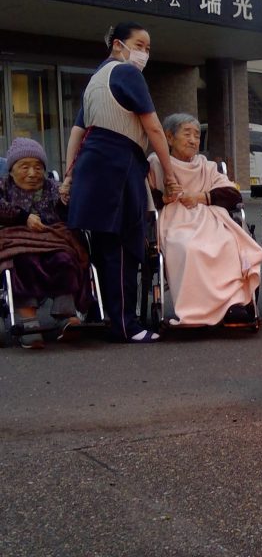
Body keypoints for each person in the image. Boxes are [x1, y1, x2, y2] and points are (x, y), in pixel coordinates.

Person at [62, 21, 175, 343]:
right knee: (124, 247)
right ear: (117, 44)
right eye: (139, 45)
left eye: (148, 48)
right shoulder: (126, 74)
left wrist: (70, 174)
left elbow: (77, 132)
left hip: (92, 165)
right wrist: (170, 172)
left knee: (103, 247)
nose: (143, 53)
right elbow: (153, 128)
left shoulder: (95, 80)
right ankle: (126, 324)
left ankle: (109, 315)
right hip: (118, 162)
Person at [146, 114, 262, 326]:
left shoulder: (206, 165)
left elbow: (233, 194)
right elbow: (145, 197)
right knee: (189, 247)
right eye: (187, 134)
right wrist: (163, 198)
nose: (193, 140)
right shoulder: (155, 163)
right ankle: (198, 311)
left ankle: (233, 303)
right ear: (169, 137)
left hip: (208, 218)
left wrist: (202, 197)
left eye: (197, 135)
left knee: (228, 243)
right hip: (175, 221)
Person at [0, 138, 91, 349]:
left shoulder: (52, 187)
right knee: (23, 260)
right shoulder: (3, 186)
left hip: (52, 239)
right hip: (17, 238)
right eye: (25, 167)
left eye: (38, 167)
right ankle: (28, 318)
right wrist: (23, 217)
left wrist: (67, 198)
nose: (32, 173)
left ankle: (65, 316)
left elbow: (69, 211)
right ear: (12, 170)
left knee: (65, 259)